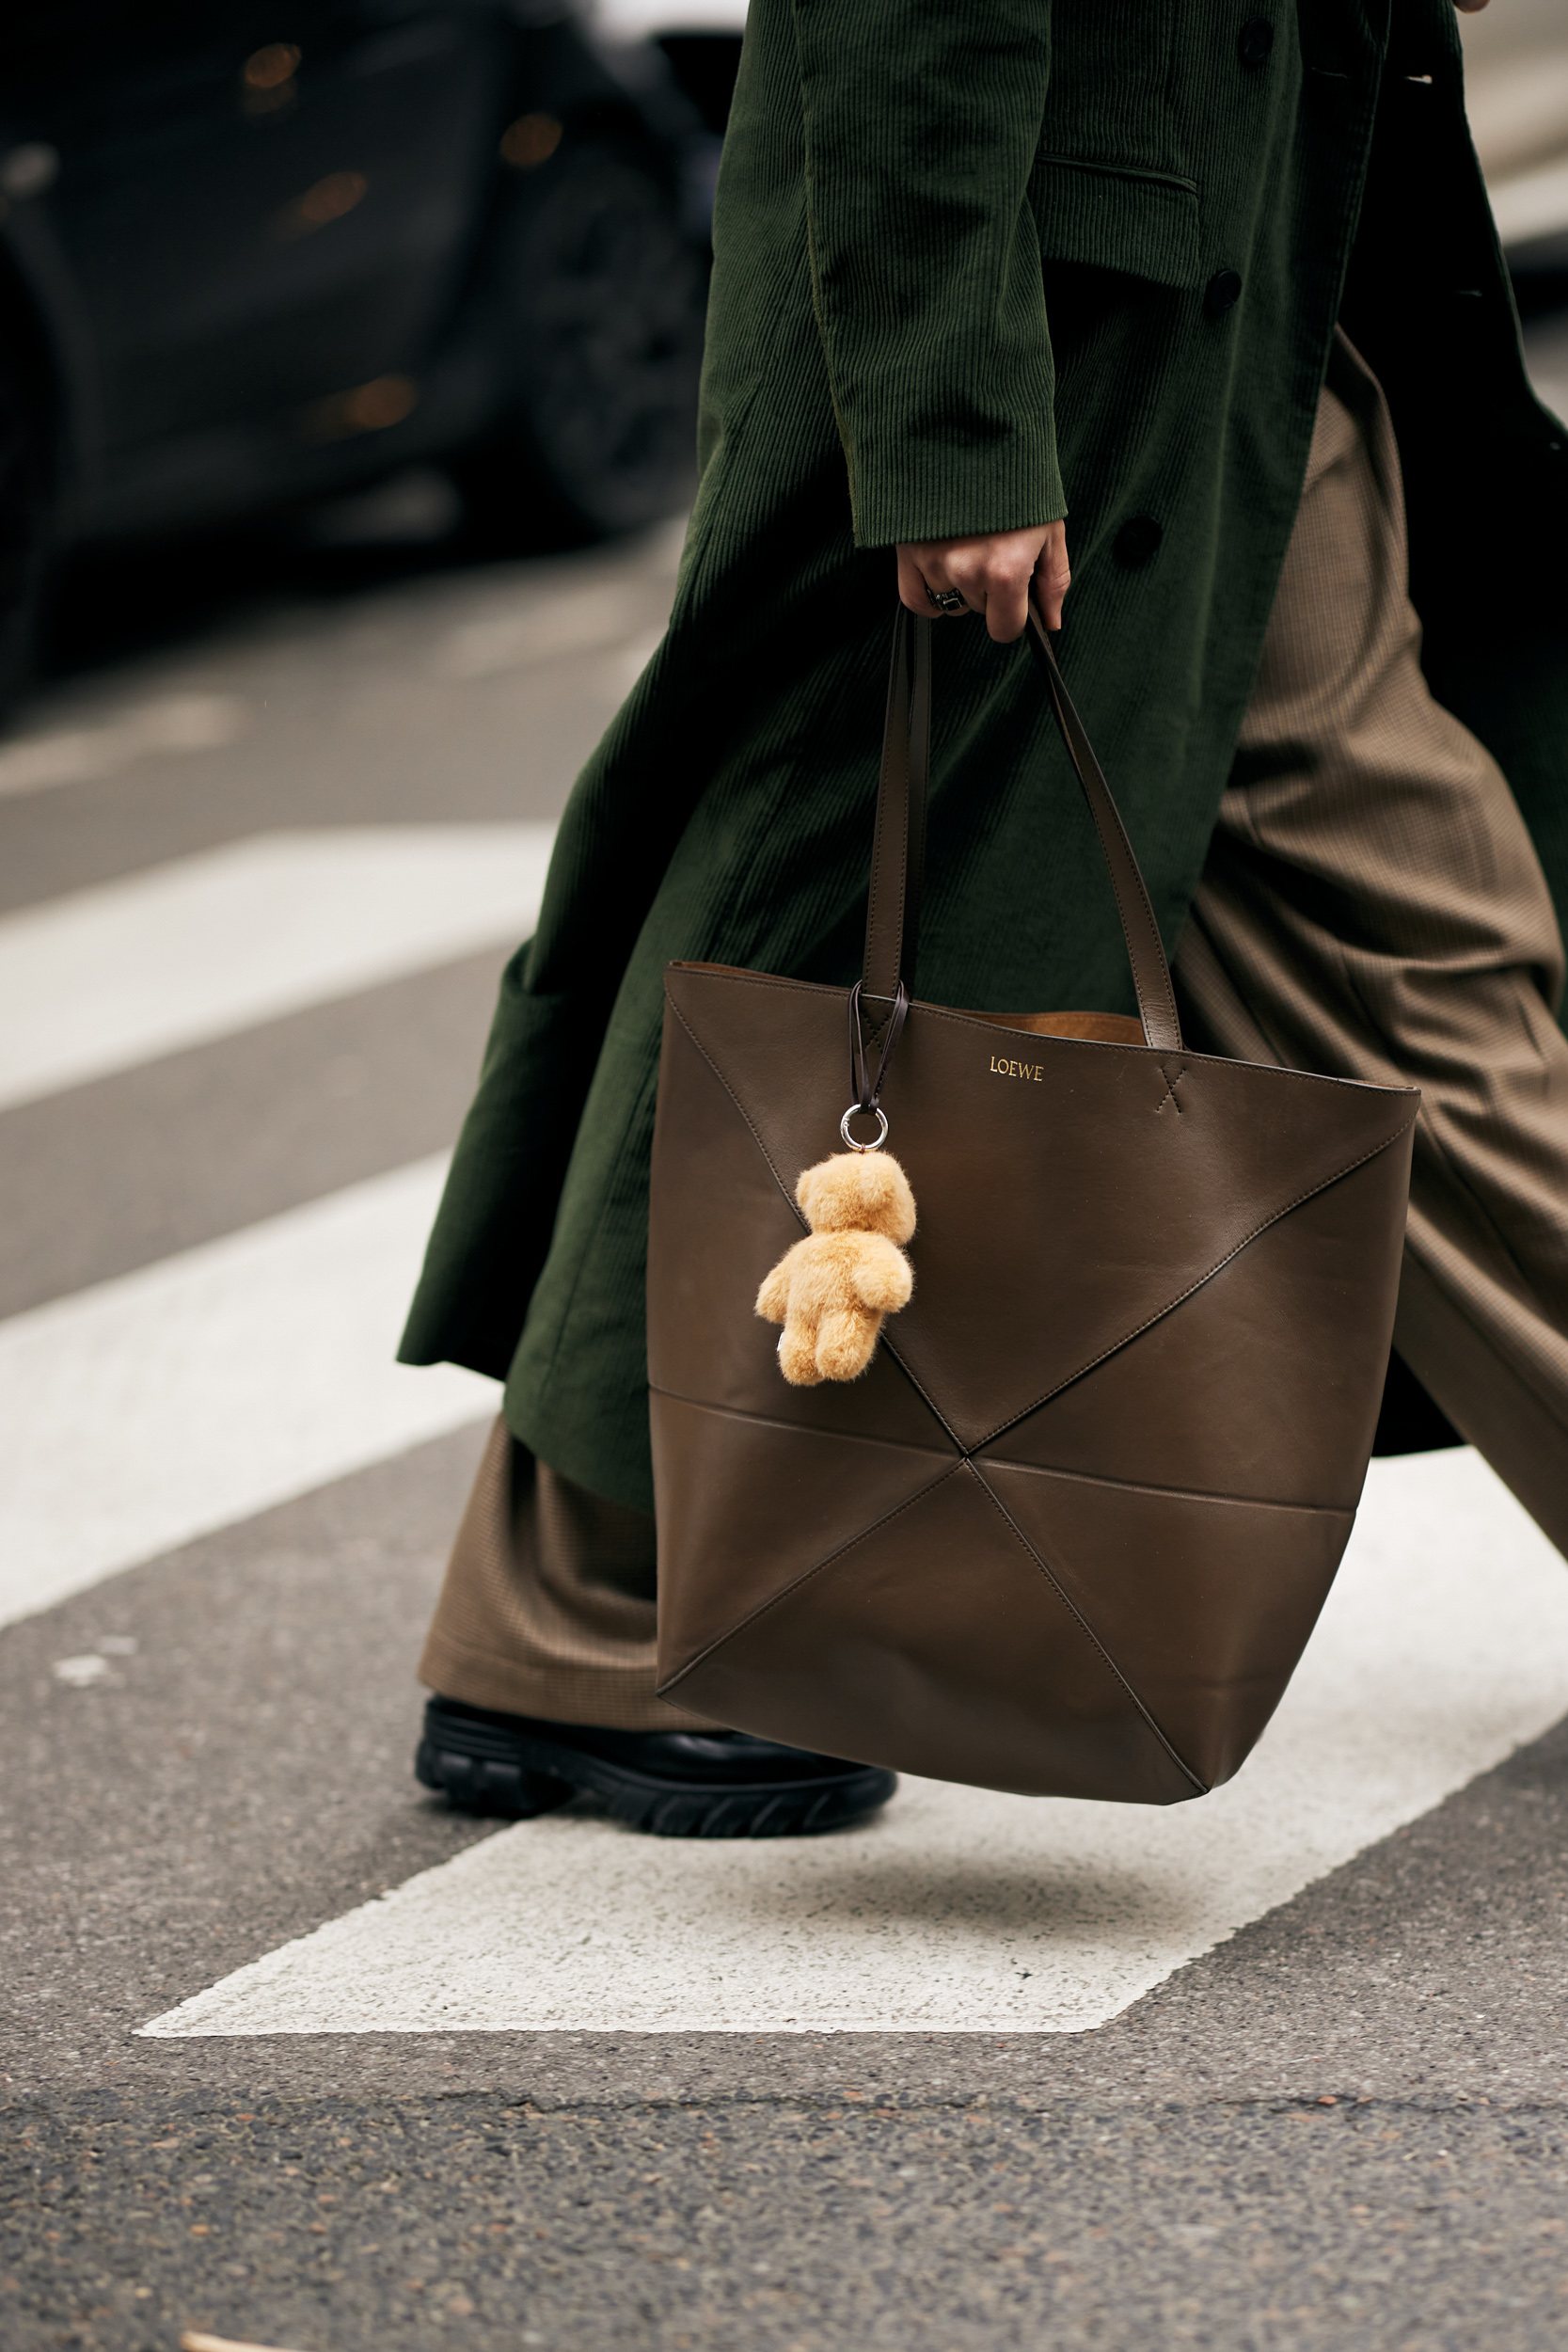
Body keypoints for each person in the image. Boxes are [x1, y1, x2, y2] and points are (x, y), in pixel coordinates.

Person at [400, 0, 1568, 1836]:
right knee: (809, 929)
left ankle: (574, 1606)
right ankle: (576, 1611)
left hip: (1223, 262)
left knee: (1391, 925)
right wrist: (950, 425)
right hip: (1042, 315)